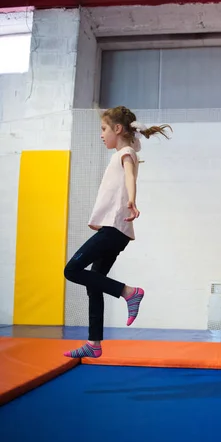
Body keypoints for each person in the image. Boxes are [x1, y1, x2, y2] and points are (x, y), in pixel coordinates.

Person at [63, 105, 172, 358]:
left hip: (114, 228)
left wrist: (132, 201)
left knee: (71, 270)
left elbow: (130, 177)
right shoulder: (127, 151)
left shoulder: (125, 152)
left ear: (118, 129)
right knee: (94, 283)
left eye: (104, 129)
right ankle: (94, 343)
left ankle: (129, 292)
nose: (101, 135)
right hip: (115, 230)